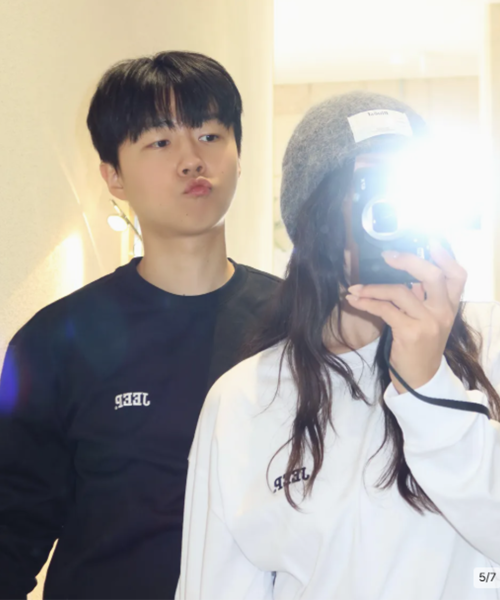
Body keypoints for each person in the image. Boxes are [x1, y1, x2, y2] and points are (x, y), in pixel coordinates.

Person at [177, 91, 500, 600]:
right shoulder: (246, 398)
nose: (388, 214)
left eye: (405, 189)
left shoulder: (490, 342)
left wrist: (431, 388)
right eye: (369, 189)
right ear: (316, 219)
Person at [0, 51, 279, 600]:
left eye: (210, 135)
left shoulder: (301, 324)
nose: (192, 160)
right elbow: (13, 527)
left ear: (239, 154)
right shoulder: (56, 340)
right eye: (160, 141)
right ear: (114, 176)